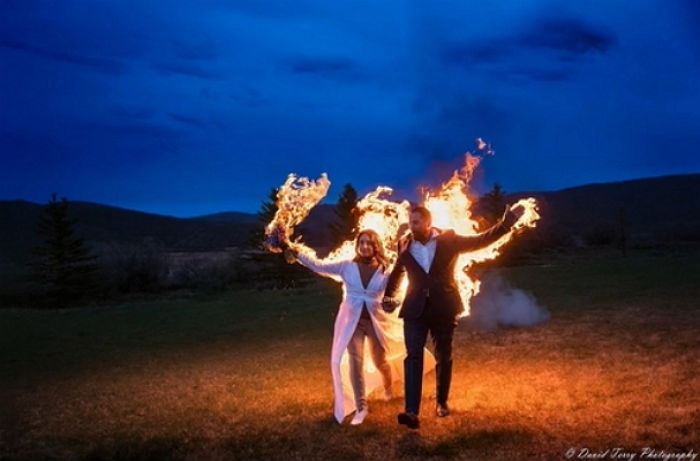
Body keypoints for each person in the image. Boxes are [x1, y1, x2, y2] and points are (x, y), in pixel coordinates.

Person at [382, 204, 524, 429]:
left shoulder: (450, 240)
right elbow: (398, 271)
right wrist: (388, 295)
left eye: (416, 222)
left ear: (428, 223)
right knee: (413, 357)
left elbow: (481, 240)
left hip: (443, 307)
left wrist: (505, 225)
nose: (411, 226)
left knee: (443, 356)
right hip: (414, 309)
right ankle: (411, 412)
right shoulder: (404, 244)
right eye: (410, 222)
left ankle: (441, 402)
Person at [283, 230, 436, 425]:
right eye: (361, 243)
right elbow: (318, 265)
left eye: (369, 243)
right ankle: (361, 406)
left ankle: (387, 385)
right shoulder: (346, 266)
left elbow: (396, 292)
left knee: (379, 359)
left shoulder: (385, 270)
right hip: (351, 321)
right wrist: (295, 252)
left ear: (375, 246)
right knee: (355, 361)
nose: (364, 246)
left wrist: (394, 301)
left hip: (376, 321)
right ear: (357, 245)